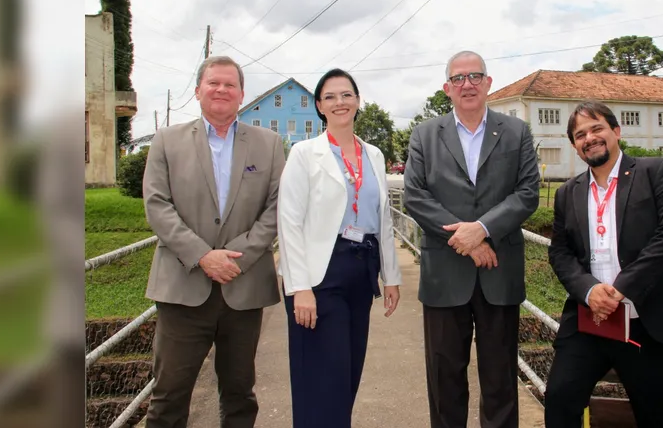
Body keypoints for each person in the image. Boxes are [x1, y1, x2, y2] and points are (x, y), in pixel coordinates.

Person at [544, 101, 663, 428]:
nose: (589, 138)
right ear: (575, 147)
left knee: (654, 413)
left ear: (616, 131)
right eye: (580, 135)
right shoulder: (567, 193)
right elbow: (560, 252)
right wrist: (589, 290)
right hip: (591, 318)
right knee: (560, 398)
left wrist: (621, 289)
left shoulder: (655, 172)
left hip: (650, 318)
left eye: (596, 129)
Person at [142, 55, 286, 428]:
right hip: (182, 287)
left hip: (244, 287)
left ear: (242, 95)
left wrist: (238, 257)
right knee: (169, 394)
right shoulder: (167, 140)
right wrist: (203, 255)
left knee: (240, 394)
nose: (221, 90)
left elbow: (276, 208)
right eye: (213, 83)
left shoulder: (268, 145)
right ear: (197, 91)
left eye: (230, 85)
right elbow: (157, 205)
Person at [404, 51, 540, 428]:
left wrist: (482, 229)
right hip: (445, 275)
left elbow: (528, 192)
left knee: (500, 379)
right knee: (444, 377)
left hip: (499, 272)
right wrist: (467, 238)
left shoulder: (516, 132)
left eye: (475, 76)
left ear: (488, 83)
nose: (468, 84)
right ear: (447, 87)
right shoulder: (425, 135)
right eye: (459, 78)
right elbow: (415, 195)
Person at [277, 68, 402, 427]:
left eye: (346, 95)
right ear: (319, 106)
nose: (339, 102)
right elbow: (289, 222)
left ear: (358, 101)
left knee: (347, 374)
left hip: (361, 271)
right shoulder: (304, 154)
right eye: (330, 97)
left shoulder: (374, 155)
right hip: (319, 275)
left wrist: (390, 276)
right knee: (320, 379)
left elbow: (384, 219)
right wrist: (300, 288)